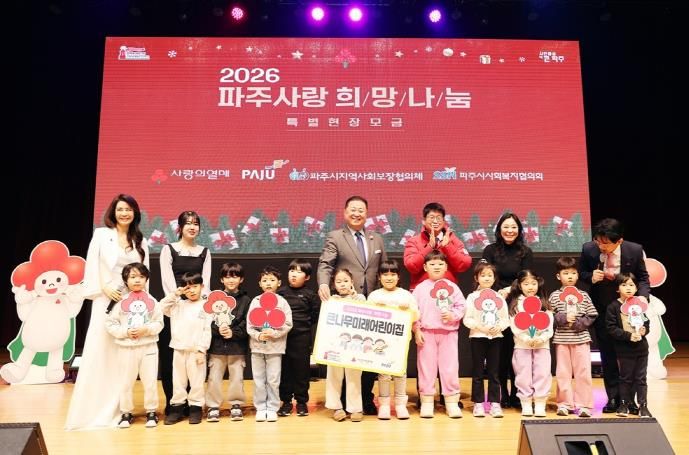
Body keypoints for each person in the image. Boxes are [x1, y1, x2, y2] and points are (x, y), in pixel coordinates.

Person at [65, 194, 149, 430]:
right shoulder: (102, 235)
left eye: (129, 209)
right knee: (100, 350)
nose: (124, 213)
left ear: (135, 213)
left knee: (124, 355)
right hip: (106, 300)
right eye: (120, 209)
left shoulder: (140, 240)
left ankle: (121, 408)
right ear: (113, 212)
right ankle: (92, 411)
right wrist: (103, 287)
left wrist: (142, 304)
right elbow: (92, 264)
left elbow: (145, 274)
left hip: (131, 303)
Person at [317, 195, 387, 415]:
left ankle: (365, 399)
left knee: (368, 353)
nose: (357, 213)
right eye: (353, 210)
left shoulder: (377, 239)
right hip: (345, 305)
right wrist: (323, 284)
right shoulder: (336, 236)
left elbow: (384, 269)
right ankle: (340, 402)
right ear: (345, 212)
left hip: (370, 304)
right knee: (343, 353)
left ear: (367, 213)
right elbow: (326, 264)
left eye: (361, 210)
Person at [578, 218, 650, 414]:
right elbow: (581, 273)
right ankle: (613, 398)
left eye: (605, 243)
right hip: (603, 308)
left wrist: (642, 299)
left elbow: (643, 278)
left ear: (619, 241)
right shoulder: (589, 249)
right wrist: (590, 277)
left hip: (628, 309)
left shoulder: (634, 250)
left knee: (629, 356)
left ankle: (631, 400)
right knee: (607, 354)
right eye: (598, 240)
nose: (600, 246)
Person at [158, 210, 211, 415]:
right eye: (188, 223)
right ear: (180, 227)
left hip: (197, 309)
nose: (192, 227)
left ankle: (194, 404)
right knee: (174, 359)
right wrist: (179, 298)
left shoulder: (204, 252)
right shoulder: (169, 250)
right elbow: (167, 281)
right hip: (176, 308)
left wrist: (199, 303)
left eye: (196, 223)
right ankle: (175, 404)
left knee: (195, 359)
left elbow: (205, 283)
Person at [482, 212, 533, 409]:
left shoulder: (525, 251)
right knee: (500, 352)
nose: (510, 230)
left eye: (513, 227)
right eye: (506, 227)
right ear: (499, 229)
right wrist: (498, 293)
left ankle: (518, 393)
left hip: (518, 304)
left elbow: (526, 278)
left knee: (518, 351)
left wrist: (510, 290)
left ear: (519, 230)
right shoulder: (490, 250)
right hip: (495, 304)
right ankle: (502, 392)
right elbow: (485, 275)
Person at [105, 263, 163, 428]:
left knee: (150, 382)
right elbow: (110, 324)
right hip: (126, 348)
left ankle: (151, 411)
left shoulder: (153, 301)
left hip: (148, 347)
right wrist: (125, 332)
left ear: (146, 279)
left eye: (141, 277)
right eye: (133, 277)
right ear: (126, 280)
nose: (137, 280)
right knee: (125, 382)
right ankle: (126, 413)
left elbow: (159, 323)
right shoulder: (119, 302)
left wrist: (147, 329)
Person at [413, 251, 466, 419]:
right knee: (426, 368)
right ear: (425, 267)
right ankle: (427, 402)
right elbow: (413, 311)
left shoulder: (453, 287)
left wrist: (452, 315)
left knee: (449, 367)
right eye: (432, 264)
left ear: (446, 267)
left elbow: (461, 306)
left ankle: (451, 402)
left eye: (440, 264)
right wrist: (417, 330)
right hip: (427, 333)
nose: (436, 267)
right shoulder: (420, 289)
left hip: (448, 333)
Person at [367, 260, 419, 420]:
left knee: (400, 372)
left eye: (393, 274)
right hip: (381, 342)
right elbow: (367, 318)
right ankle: (384, 405)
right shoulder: (375, 296)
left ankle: (400, 405)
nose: (389, 278)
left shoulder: (406, 295)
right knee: (383, 373)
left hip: (400, 342)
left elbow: (416, 316)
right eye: (385, 274)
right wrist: (377, 310)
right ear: (379, 277)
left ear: (398, 276)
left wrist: (407, 310)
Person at [160, 272, 212, 425]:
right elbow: (160, 307)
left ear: (202, 286)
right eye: (187, 288)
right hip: (179, 349)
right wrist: (176, 294)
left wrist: (202, 349)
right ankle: (177, 408)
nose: (192, 290)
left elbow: (207, 329)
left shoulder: (206, 306)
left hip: (196, 350)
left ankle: (196, 408)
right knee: (178, 381)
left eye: (195, 286)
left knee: (197, 381)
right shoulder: (178, 305)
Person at [548, 257, 598, 418]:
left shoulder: (583, 295)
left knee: (583, 372)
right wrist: (563, 318)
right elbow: (550, 315)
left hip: (581, 339)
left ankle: (584, 405)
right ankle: (564, 404)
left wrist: (578, 323)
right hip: (562, 340)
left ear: (577, 275)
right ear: (558, 276)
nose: (570, 276)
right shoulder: (555, 296)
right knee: (563, 373)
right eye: (566, 273)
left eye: (573, 273)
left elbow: (592, 314)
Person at [462, 260, 509, 418]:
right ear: (476, 278)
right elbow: (467, 319)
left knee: (494, 372)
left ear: (494, 278)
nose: (487, 278)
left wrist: (499, 327)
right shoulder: (471, 297)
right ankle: (478, 403)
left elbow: (505, 319)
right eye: (483, 275)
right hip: (478, 337)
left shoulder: (499, 297)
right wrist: (480, 327)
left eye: (490, 275)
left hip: (495, 337)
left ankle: (495, 403)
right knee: (478, 372)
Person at [246, 266, 293, 422]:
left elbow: (288, 324)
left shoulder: (282, 302)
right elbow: (249, 326)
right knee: (259, 380)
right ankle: (261, 408)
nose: (268, 283)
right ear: (260, 283)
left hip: (275, 348)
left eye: (272, 280)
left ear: (278, 283)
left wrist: (275, 333)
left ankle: (272, 408)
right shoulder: (255, 301)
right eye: (265, 280)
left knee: (273, 380)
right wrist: (259, 335)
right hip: (257, 348)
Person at [205, 262, 250, 422]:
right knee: (214, 378)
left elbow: (247, 323)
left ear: (241, 279)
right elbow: (206, 321)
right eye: (227, 277)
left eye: (235, 276)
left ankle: (236, 405)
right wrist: (218, 330)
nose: (231, 280)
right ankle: (213, 406)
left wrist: (233, 333)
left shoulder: (246, 300)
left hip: (237, 347)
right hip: (216, 347)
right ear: (221, 279)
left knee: (237, 377)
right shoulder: (213, 299)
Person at [277, 259, 320, 417]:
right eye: (292, 271)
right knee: (285, 371)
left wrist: (302, 327)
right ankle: (286, 402)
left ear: (307, 277)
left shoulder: (310, 295)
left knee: (302, 371)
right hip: (283, 338)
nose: (294, 275)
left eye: (299, 272)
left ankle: (302, 402)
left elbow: (315, 316)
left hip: (302, 338)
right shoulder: (281, 293)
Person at [506, 270, 553, 417]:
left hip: (542, 346)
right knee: (523, 374)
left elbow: (549, 326)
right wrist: (526, 338)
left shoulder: (544, 303)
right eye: (526, 284)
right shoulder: (516, 305)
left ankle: (540, 404)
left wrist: (541, 338)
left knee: (542, 373)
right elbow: (514, 326)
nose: (530, 287)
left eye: (533, 283)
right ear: (520, 286)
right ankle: (525, 403)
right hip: (522, 346)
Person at [605, 273, 652, 418]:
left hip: (641, 349)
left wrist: (644, 330)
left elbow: (646, 323)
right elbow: (611, 328)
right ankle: (624, 404)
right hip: (624, 350)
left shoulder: (639, 305)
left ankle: (643, 405)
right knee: (625, 378)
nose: (628, 288)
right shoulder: (613, 307)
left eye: (631, 285)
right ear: (617, 288)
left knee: (641, 378)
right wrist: (628, 336)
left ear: (637, 288)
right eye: (624, 285)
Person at [324, 268, 366, 422]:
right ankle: (336, 407)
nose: (342, 284)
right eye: (339, 281)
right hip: (335, 344)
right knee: (334, 376)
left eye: (346, 281)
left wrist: (354, 297)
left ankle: (355, 408)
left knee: (354, 376)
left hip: (355, 345)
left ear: (352, 282)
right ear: (334, 284)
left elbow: (366, 315)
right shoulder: (330, 300)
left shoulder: (360, 298)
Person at [403, 202, 471, 291]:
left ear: (443, 221)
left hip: (447, 292)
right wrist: (429, 247)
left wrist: (448, 246)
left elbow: (464, 264)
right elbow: (411, 266)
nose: (435, 221)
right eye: (431, 217)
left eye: (438, 218)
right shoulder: (414, 241)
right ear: (424, 221)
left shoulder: (453, 240)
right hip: (421, 292)